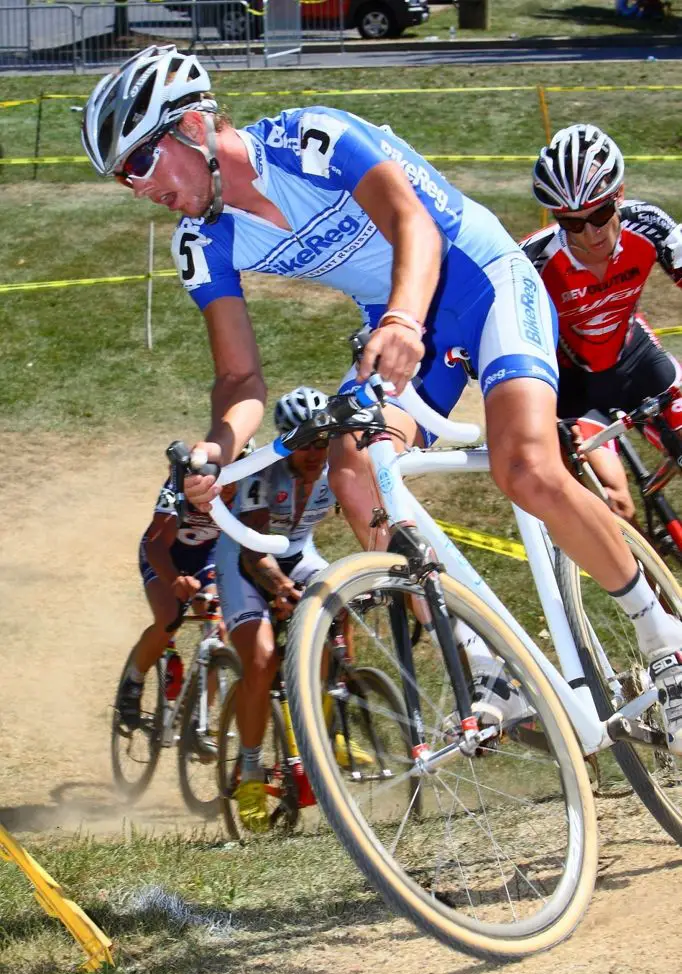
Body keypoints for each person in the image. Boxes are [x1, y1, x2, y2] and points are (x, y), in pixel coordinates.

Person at [82, 48, 682, 753]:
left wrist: (400, 320)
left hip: (478, 279)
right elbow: (240, 381)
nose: (137, 188)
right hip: (402, 316)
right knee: (352, 470)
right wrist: (218, 448)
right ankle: (487, 664)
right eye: (122, 178)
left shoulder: (312, 139)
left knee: (525, 468)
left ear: (191, 127)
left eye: (138, 164)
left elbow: (415, 225)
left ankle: (663, 635)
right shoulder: (203, 241)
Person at [521, 123, 682, 525]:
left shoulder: (649, 225)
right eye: (573, 223)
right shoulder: (533, 261)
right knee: (614, 503)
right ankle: (649, 587)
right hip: (574, 388)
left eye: (601, 213)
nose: (591, 233)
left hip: (634, 357)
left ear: (619, 195)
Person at [216, 387, 344, 832]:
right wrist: (282, 589)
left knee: (342, 601)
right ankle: (249, 771)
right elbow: (254, 554)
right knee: (263, 661)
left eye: (322, 441)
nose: (315, 452)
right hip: (245, 562)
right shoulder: (263, 474)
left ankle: (329, 726)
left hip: (298, 554)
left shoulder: (333, 470)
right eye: (305, 442)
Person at [118, 447, 250, 728]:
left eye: (235, 480)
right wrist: (174, 580)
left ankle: (198, 719)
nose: (227, 489)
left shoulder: (250, 489)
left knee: (219, 626)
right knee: (169, 617)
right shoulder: (182, 484)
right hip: (165, 554)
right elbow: (156, 544)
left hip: (207, 556)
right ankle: (134, 682)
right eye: (221, 480)